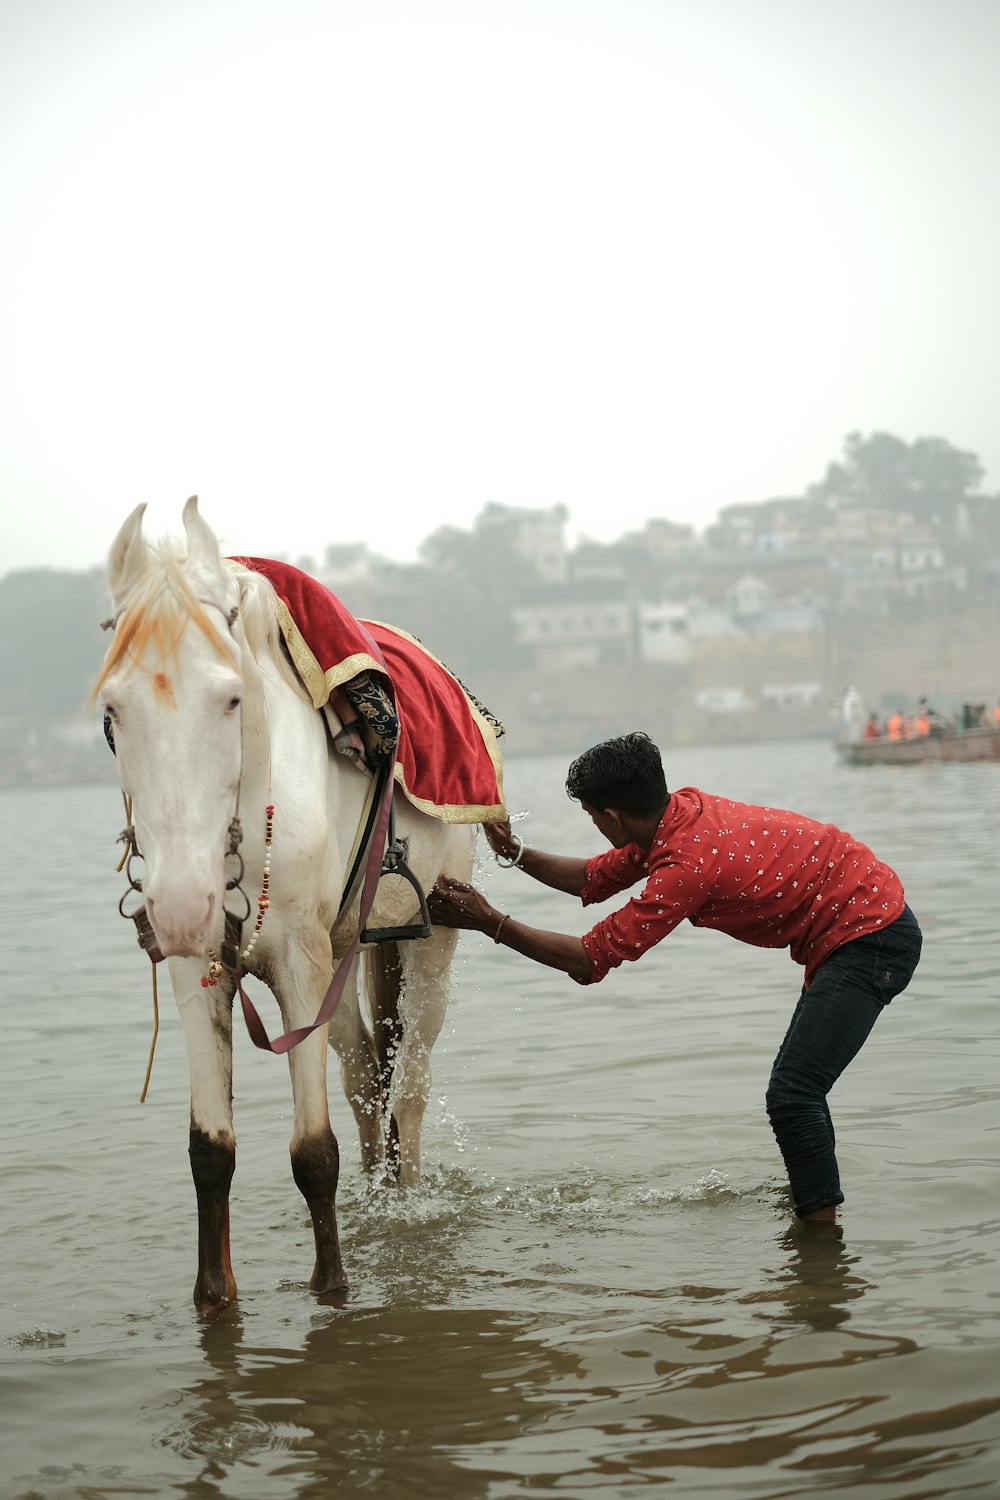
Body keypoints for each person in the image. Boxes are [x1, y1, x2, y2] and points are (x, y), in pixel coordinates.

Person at [428, 732, 922, 1226]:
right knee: (795, 1091)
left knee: (794, 1093)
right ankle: (813, 1212)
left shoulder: (686, 864)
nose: (596, 825)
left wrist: (487, 919)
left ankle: (819, 1243)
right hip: (854, 922)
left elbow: (588, 958)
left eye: (593, 816)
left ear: (614, 818)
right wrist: (514, 852)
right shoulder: (679, 815)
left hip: (870, 936)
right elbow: (593, 878)